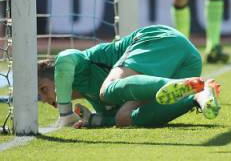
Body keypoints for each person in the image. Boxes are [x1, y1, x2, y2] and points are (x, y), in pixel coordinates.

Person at [37, 25, 221, 128]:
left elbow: (65, 58)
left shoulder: (81, 64)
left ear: (56, 76)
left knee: (107, 90)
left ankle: (180, 85)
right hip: (187, 64)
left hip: (157, 40)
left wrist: (65, 112)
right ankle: (199, 96)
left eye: (44, 89)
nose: (44, 99)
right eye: (41, 97)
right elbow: (111, 118)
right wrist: (92, 120)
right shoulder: (95, 101)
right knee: (123, 118)